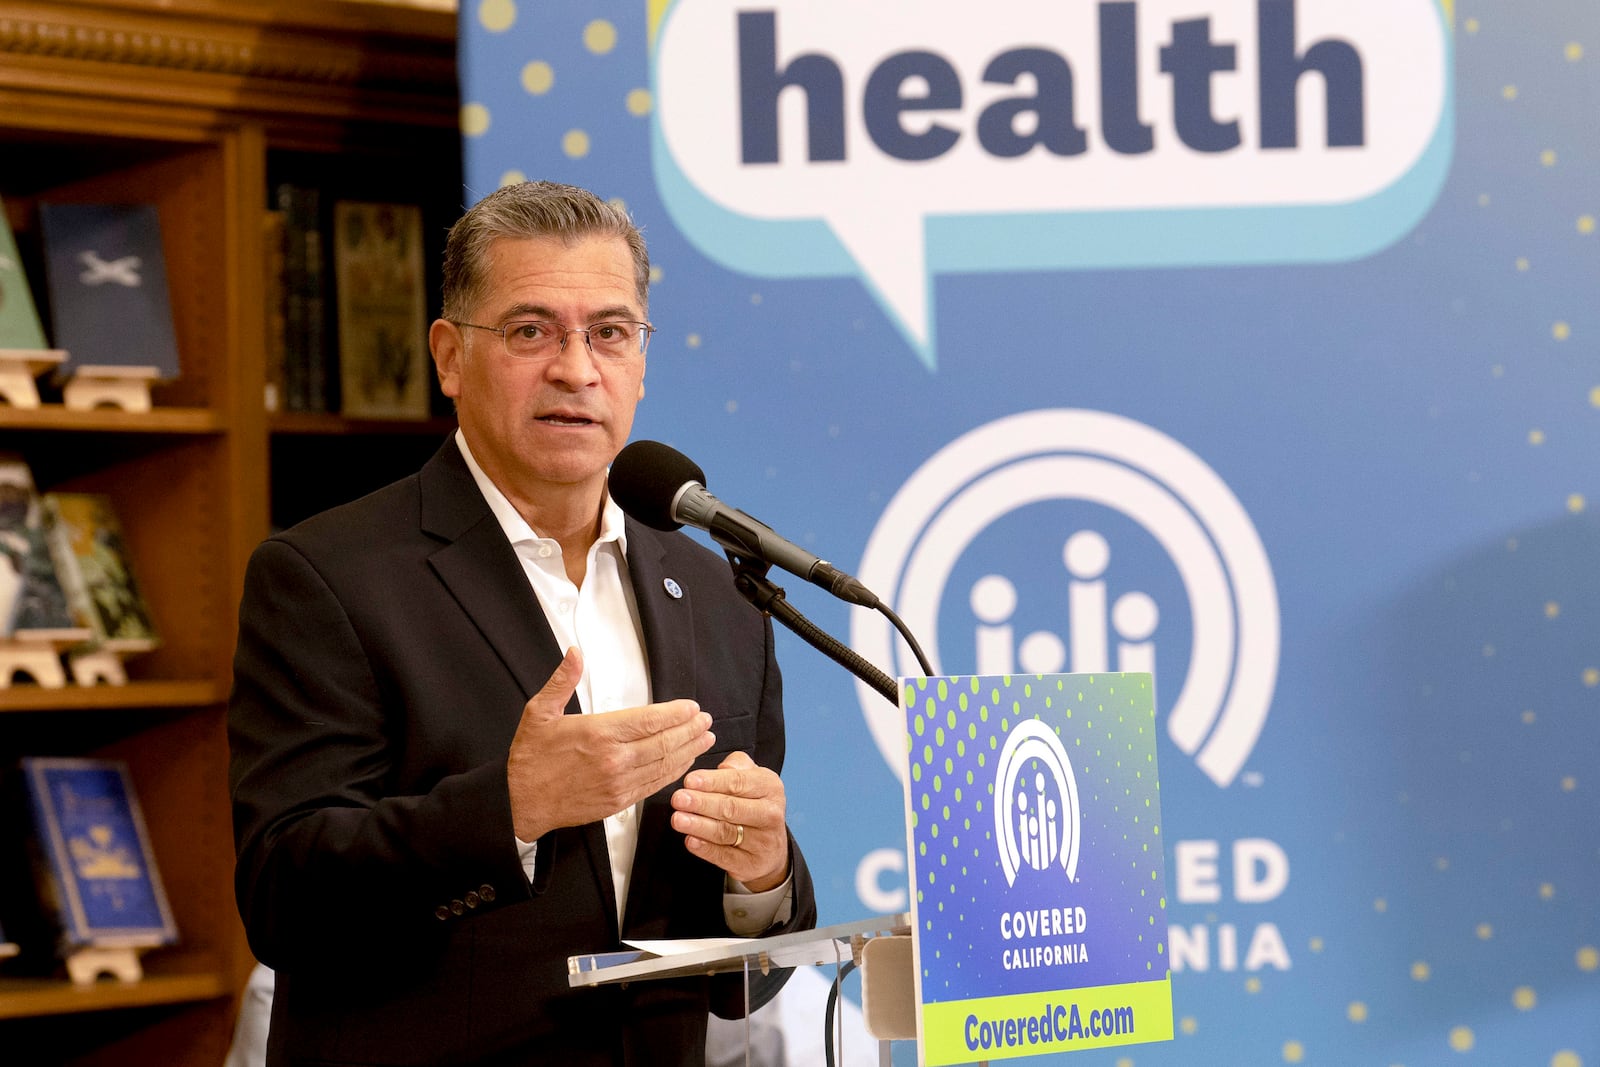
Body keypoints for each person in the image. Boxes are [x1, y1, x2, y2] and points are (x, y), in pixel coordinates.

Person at [228, 180, 817, 1067]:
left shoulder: (720, 591)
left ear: (641, 363)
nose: (577, 368)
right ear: (450, 356)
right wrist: (512, 809)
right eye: (531, 330)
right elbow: (286, 897)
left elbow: (743, 969)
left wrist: (761, 876)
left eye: (610, 333)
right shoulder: (327, 576)